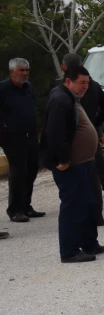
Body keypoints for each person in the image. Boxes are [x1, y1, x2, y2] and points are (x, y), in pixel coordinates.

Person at [41, 63, 104, 263]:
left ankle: (88, 243)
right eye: (82, 82)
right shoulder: (61, 100)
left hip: (84, 162)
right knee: (73, 207)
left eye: (87, 82)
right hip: (71, 165)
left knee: (87, 204)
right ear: (68, 81)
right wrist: (64, 160)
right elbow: (55, 133)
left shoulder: (70, 97)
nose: (85, 86)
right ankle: (69, 251)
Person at [58, 54, 104, 226]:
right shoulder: (87, 87)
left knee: (84, 179)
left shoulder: (60, 91)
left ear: (63, 68)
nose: (84, 86)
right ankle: (95, 214)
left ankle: (88, 215)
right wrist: (96, 126)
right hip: (88, 137)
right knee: (92, 177)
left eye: (86, 84)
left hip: (77, 140)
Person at [1, 57, 46, 225]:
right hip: (13, 139)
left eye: (27, 70)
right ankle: (15, 210)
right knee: (18, 173)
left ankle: (26, 206)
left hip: (31, 137)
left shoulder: (28, 87)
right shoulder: (3, 88)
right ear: (12, 72)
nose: (25, 74)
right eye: (21, 70)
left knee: (32, 170)